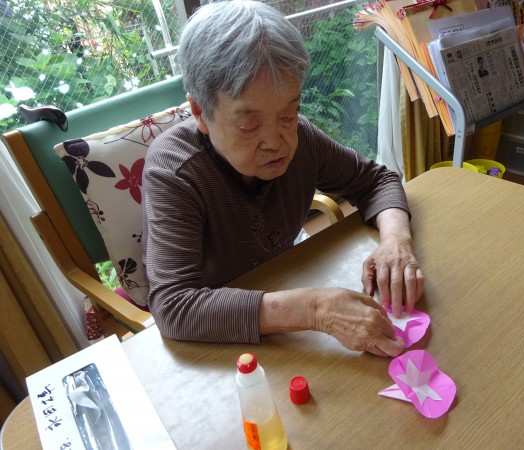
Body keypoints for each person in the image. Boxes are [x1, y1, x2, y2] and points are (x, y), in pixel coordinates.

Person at [142, 0, 424, 358]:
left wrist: (396, 243)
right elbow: (174, 306)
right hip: (214, 341)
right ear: (200, 112)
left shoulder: (302, 139)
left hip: (282, 292)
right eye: (249, 124)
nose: (276, 142)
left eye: (289, 114)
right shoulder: (175, 171)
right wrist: (315, 309)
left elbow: (376, 181)